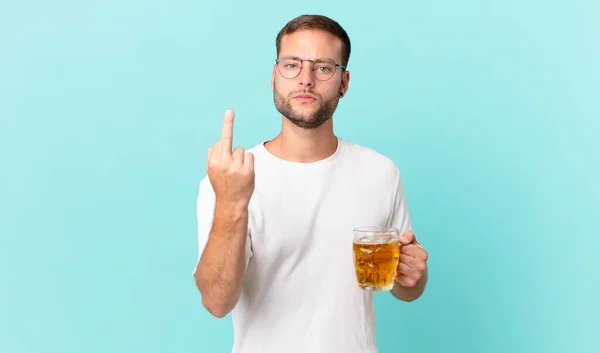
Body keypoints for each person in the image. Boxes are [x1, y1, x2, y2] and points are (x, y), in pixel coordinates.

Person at [192, 14, 429, 353]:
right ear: (274, 77)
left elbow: (404, 287)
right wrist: (231, 203)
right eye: (292, 65)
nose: (305, 80)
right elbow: (216, 302)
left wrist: (413, 276)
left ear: (343, 82)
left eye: (322, 68)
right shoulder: (230, 179)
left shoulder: (381, 172)